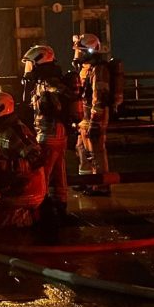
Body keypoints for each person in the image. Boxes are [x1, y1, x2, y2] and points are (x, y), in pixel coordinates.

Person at [0, 91, 46, 228]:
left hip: (27, 190)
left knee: (6, 226)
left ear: (1, 110)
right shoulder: (0, 130)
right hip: (14, 186)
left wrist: (6, 166)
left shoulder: (16, 131)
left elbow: (37, 159)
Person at [21, 45, 70, 219]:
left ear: (38, 62)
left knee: (43, 173)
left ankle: (43, 210)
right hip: (58, 132)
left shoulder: (48, 82)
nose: (28, 69)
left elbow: (62, 93)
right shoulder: (46, 80)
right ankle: (61, 205)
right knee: (59, 171)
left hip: (49, 133)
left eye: (30, 64)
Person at [73, 33, 111, 195]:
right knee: (81, 148)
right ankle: (86, 181)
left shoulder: (99, 70)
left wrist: (95, 122)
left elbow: (100, 97)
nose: (78, 54)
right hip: (85, 117)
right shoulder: (86, 68)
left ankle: (101, 186)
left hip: (95, 117)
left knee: (96, 152)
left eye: (80, 51)